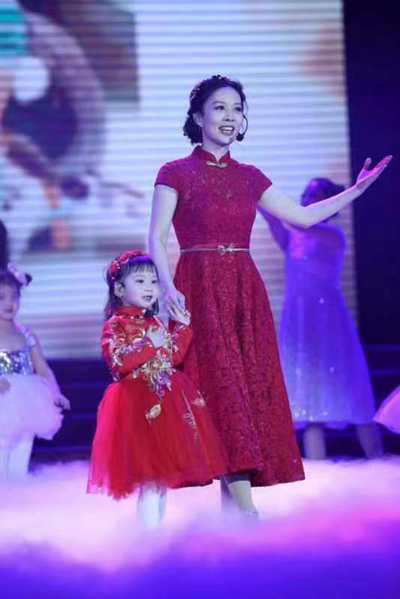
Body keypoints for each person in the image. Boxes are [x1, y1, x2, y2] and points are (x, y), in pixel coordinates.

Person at [149, 75, 391, 514]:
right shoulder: (174, 172)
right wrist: (167, 287)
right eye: (219, 108)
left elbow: (302, 217)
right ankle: (245, 512)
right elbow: (157, 237)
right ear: (198, 116)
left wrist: (355, 191)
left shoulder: (250, 177)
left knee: (241, 393)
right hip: (197, 289)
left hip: (245, 291)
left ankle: (233, 515)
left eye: (237, 109)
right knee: (216, 392)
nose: (229, 116)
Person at [87, 250, 227, 529]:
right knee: (150, 481)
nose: (149, 287)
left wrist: (183, 328)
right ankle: (148, 539)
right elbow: (118, 362)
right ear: (119, 289)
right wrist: (148, 343)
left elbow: (172, 357)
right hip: (136, 408)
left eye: (153, 281)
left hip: (164, 406)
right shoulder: (115, 326)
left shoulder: (155, 323)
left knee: (161, 482)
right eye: (140, 281)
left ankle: (156, 535)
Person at [259, 178, 383, 460]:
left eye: (314, 195)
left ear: (329, 201)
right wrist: (254, 192)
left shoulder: (333, 235)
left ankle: (377, 461)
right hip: (300, 320)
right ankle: (318, 471)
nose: (306, 199)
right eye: (305, 194)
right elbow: (274, 220)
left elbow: (299, 221)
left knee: (350, 389)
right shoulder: (292, 236)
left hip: (329, 321)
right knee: (308, 400)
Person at [0, 264, 70, 479]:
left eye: (14, 297)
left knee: (23, 446)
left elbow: (42, 368)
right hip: (2, 399)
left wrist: (55, 393)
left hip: (27, 399)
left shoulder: (26, 334)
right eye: (2, 297)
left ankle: (19, 490)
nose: (10, 303)